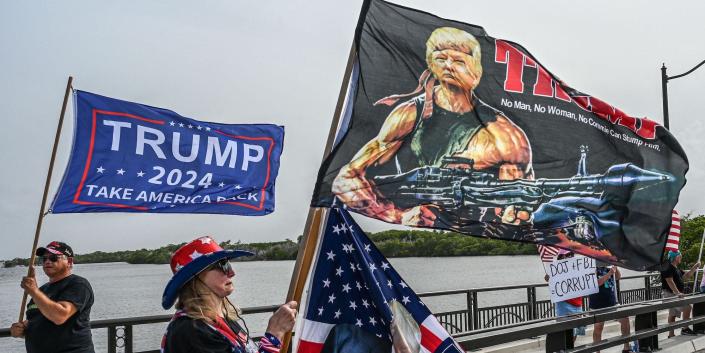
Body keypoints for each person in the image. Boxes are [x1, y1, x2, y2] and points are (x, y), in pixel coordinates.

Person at [332, 26, 533, 227]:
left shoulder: (506, 136)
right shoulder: (409, 115)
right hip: (409, 229)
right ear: (431, 66)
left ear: (477, 72)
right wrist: (397, 215)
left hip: (467, 234)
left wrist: (513, 214)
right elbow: (346, 179)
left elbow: (516, 205)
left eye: (459, 60)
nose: (448, 66)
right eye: (441, 59)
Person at [161, 236, 297, 353]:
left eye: (228, 264)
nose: (231, 272)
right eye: (222, 265)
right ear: (195, 278)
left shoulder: (219, 321)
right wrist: (274, 333)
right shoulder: (191, 331)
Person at [10, 241, 95, 353]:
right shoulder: (42, 290)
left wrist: (34, 291)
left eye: (54, 258)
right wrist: (20, 329)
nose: (48, 261)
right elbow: (37, 318)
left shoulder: (78, 284)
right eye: (44, 259)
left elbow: (60, 316)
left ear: (69, 261)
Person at [588, 263, 632, 353]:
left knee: (625, 319)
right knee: (598, 327)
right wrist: (609, 274)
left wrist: (615, 268)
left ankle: (626, 348)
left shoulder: (608, 266)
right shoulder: (591, 267)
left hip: (612, 302)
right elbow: (596, 283)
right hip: (597, 303)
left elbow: (618, 277)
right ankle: (597, 351)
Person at [544, 250, 586, 343]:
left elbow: (586, 280)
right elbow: (549, 279)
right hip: (564, 304)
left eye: (570, 254)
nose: (567, 257)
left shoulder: (578, 267)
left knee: (576, 331)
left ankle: (570, 348)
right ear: (560, 257)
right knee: (565, 331)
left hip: (578, 304)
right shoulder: (557, 268)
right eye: (565, 255)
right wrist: (548, 277)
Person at [660, 250, 700, 337]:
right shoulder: (667, 267)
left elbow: (687, 276)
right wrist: (677, 293)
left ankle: (671, 334)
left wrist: (695, 267)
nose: (681, 258)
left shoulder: (675, 268)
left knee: (673, 314)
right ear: (676, 257)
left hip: (673, 294)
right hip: (670, 294)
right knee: (687, 307)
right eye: (680, 256)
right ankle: (685, 329)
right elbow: (669, 281)